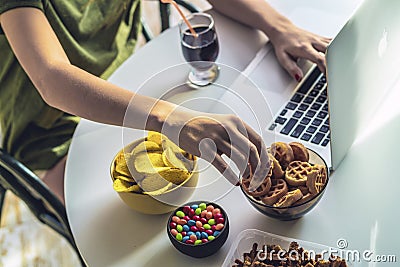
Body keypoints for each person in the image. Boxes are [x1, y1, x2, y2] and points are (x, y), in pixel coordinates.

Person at [0, 0, 330, 204]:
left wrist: (280, 28)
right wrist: (170, 118)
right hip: (47, 132)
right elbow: (51, 79)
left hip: (129, 84)